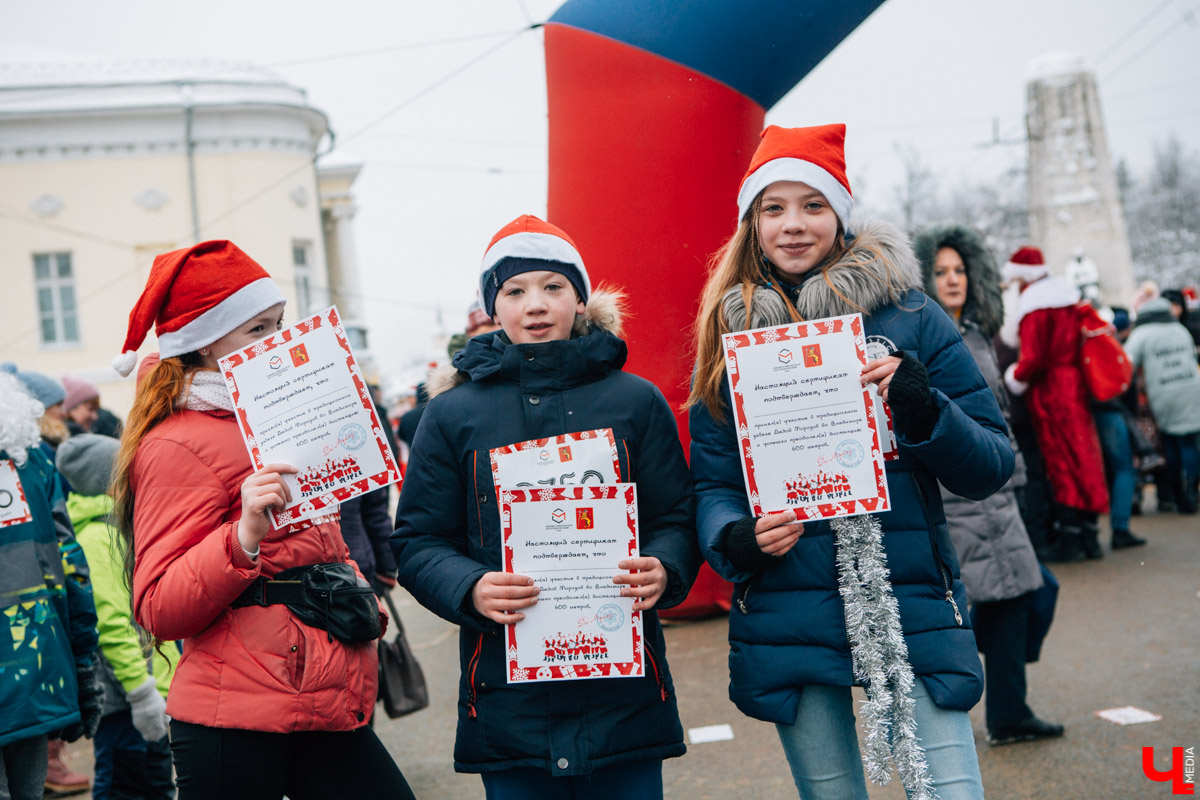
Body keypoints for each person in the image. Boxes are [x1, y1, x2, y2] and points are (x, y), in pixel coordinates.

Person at [688, 124, 1013, 800]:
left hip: (910, 599)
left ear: (840, 213)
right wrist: (737, 538)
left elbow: (990, 465)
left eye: (813, 204)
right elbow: (714, 487)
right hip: (787, 609)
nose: (794, 224)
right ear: (752, 224)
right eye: (773, 208)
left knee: (952, 790)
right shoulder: (729, 335)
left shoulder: (912, 316)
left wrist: (923, 409)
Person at [392, 215, 700, 800]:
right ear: (492, 307)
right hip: (509, 700)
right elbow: (418, 541)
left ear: (581, 299)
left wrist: (665, 566)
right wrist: (470, 587)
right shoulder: (453, 415)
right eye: (515, 291)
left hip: (624, 696)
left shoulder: (635, 401)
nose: (535, 304)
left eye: (553, 286)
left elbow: (675, 518)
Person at [108, 240, 414, 800]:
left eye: (278, 323)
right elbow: (157, 606)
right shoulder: (176, 442)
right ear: (201, 345)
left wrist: (360, 596)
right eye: (256, 330)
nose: (277, 342)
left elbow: (322, 547)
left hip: (321, 697)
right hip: (234, 718)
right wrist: (244, 534)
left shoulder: (284, 421)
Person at [914, 223, 1063, 745]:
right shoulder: (927, 336)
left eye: (960, 271)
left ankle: (1007, 710)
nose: (953, 280)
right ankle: (1000, 710)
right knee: (1000, 600)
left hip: (999, 491)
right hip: (960, 494)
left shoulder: (976, 332)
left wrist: (1016, 475)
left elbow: (994, 414)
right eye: (941, 271)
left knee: (1024, 595)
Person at [57, 433, 177, 799]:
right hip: (126, 698)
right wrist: (141, 693)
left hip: (143, 690)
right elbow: (110, 625)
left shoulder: (113, 528)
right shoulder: (96, 538)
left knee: (154, 784)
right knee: (124, 786)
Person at [1, 372, 103, 800]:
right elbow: (71, 569)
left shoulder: (32, 459)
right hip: (33, 671)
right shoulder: (29, 458)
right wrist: (84, 667)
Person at [1002, 247, 1109, 561]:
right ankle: (1090, 537)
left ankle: (1070, 539)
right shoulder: (1067, 300)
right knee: (1085, 457)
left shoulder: (1035, 307)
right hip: (1075, 385)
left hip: (1050, 392)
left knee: (1061, 462)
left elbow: (1033, 359)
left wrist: (1014, 377)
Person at [1123, 296, 1200, 514]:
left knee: (1172, 444)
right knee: (1189, 442)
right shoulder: (1179, 329)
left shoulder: (1141, 334)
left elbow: (1126, 364)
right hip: (1191, 390)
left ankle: (1176, 494)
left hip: (1163, 394)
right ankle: (1192, 492)